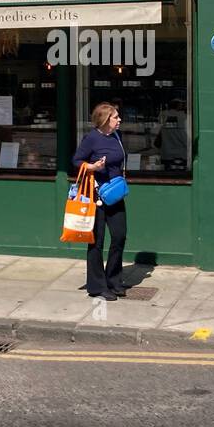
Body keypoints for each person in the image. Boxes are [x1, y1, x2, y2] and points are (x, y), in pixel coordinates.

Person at [72, 102, 128, 301]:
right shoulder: (91, 139)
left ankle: (114, 280)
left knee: (119, 236)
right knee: (96, 241)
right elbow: (76, 160)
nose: (119, 120)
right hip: (96, 197)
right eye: (115, 117)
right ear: (105, 120)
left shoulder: (117, 137)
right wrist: (92, 167)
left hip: (114, 194)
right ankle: (97, 286)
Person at [155, 97, 189, 170]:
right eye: (181, 104)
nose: (183, 106)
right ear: (177, 106)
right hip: (181, 154)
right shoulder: (183, 116)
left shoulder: (163, 115)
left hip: (166, 154)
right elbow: (185, 138)